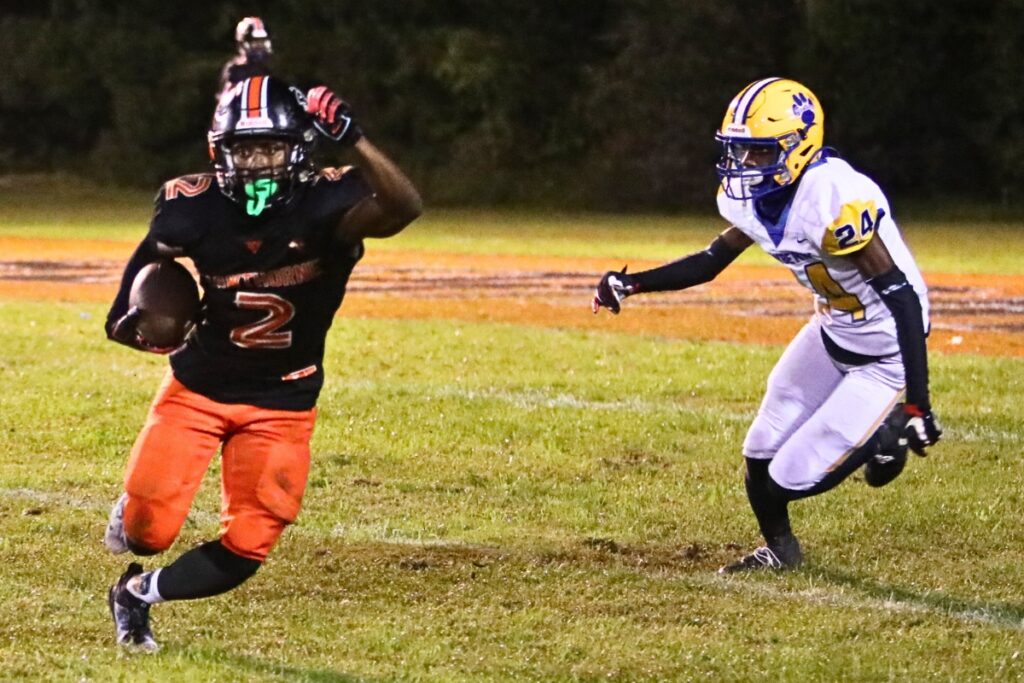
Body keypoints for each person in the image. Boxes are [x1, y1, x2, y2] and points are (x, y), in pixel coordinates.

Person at [102, 75, 421, 650]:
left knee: (248, 545)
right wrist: (124, 308)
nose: (256, 163)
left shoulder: (334, 202)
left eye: (269, 148)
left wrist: (356, 140)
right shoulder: (191, 206)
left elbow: (404, 205)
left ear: (299, 150)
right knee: (148, 532)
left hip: (284, 398)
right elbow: (156, 250)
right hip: (199, 384)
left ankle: (136, 595)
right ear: (219, 152)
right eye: (243, 149)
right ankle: (134, 511)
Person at [592, 77, 942, 573]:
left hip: (884, 351)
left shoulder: (834, 198)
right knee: (759, 451)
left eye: (757, 152)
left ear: (799, 144)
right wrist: (632, 284)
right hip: (831, 329)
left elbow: (904, 299)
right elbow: (711, 261)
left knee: (789, 477)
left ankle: (886, 436)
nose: (745, 166)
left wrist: (917, 405)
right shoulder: (755, 198)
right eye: (739, 152)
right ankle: (781, 551)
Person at [218, 17, 274, 99]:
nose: (259, 47)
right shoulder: (234, 70)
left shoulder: (271, 66)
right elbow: (224, 104)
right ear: (243, 44)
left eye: (262, 42)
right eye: (255, 43)